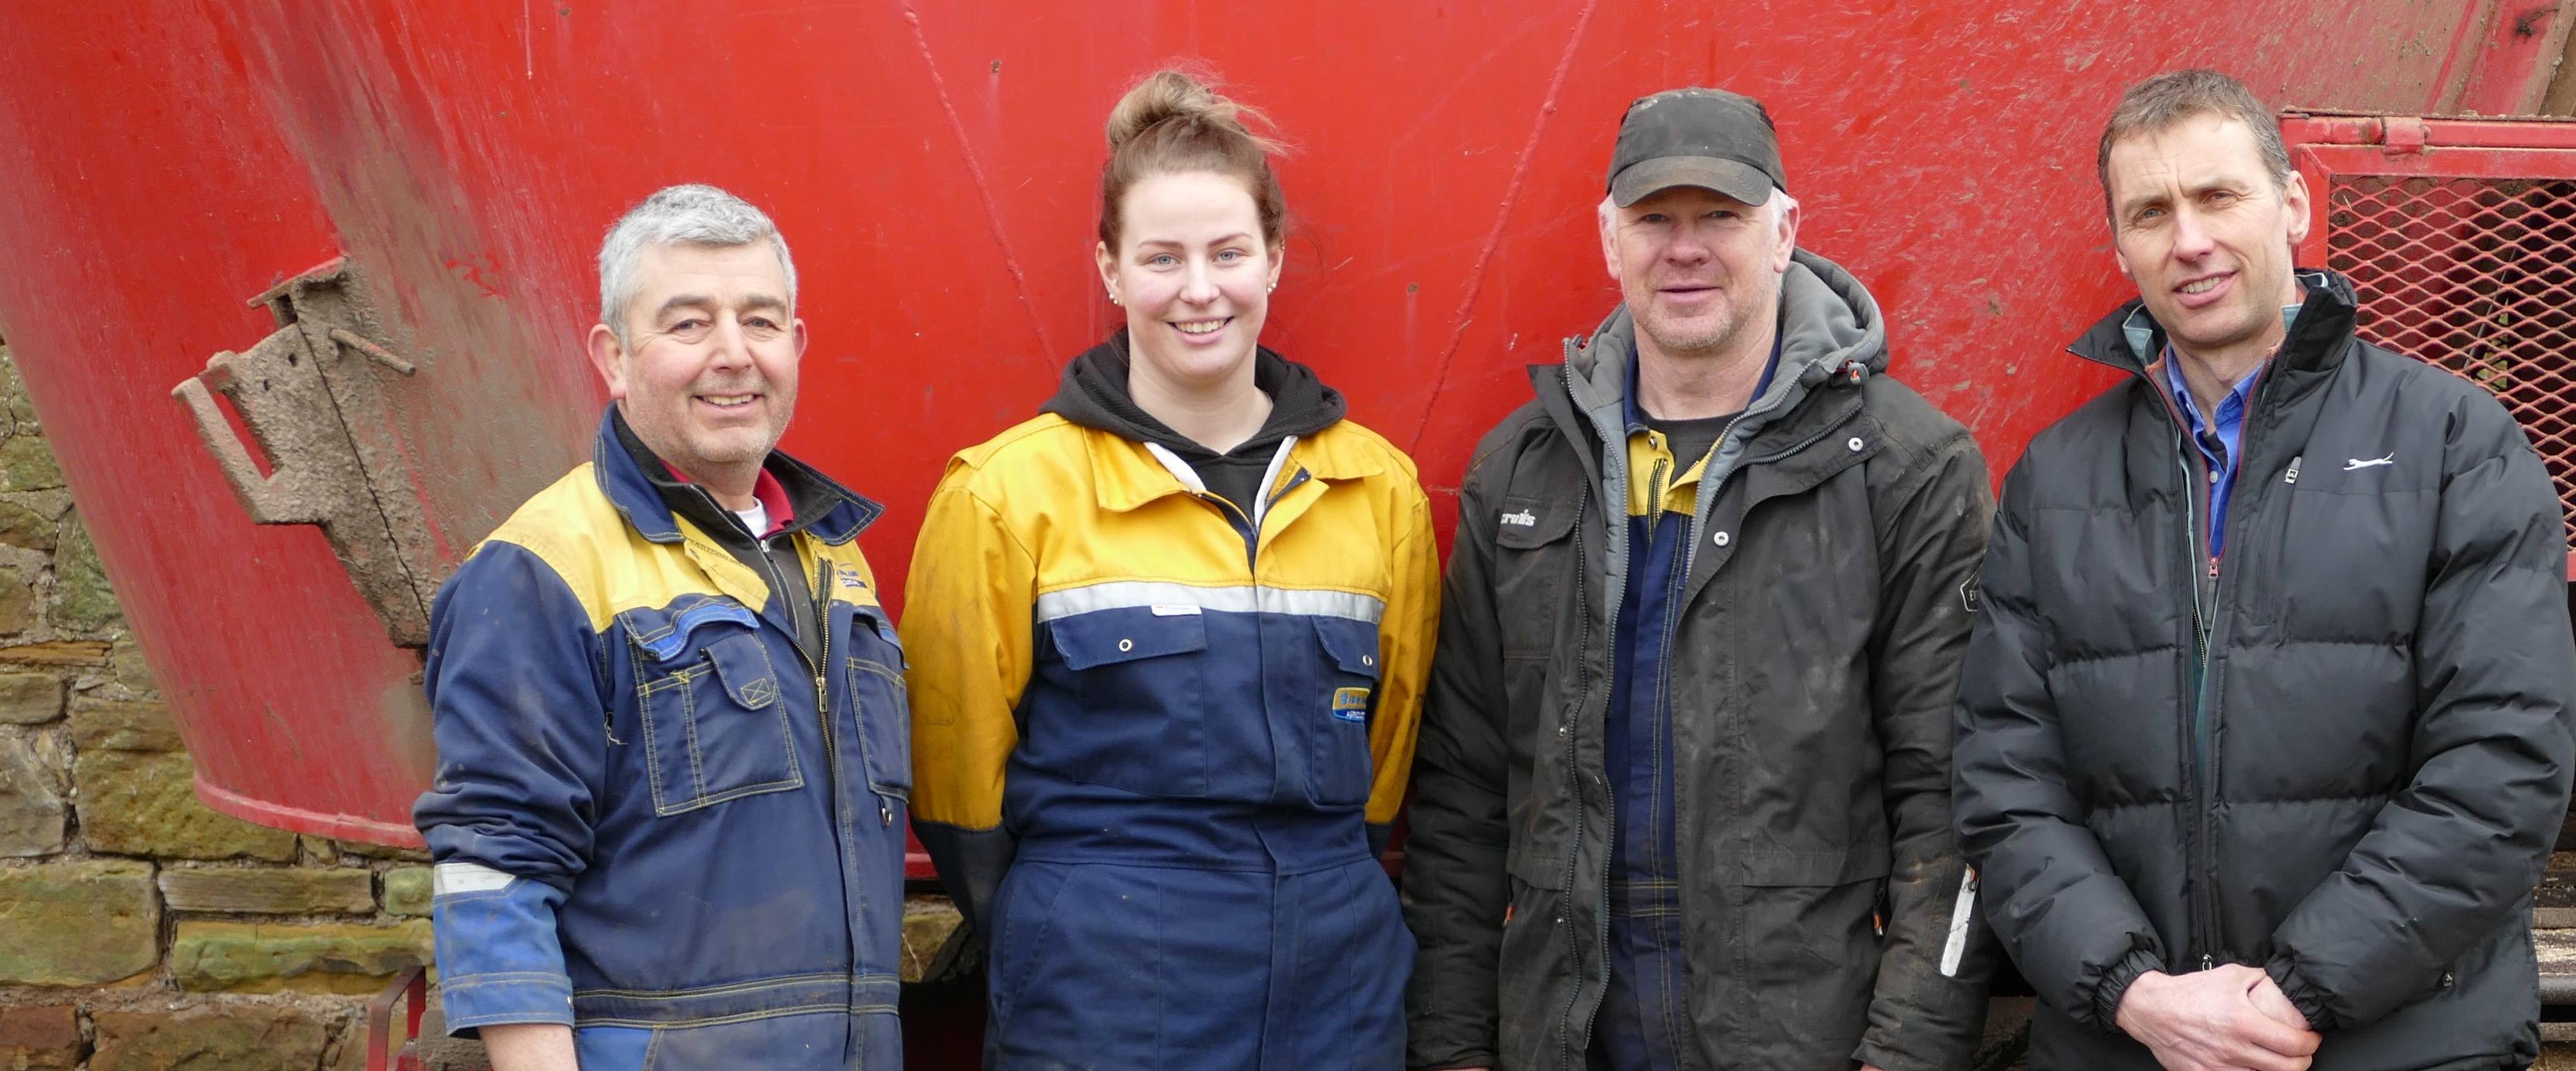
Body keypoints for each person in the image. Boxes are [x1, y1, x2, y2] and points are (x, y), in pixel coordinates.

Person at [1952, 68, 2576, 1071]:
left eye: (2217, 196)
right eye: (2150, 212)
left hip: (2395, 1040)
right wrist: (2137, 995)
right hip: (2133, 1044)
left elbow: (2501, 766)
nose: (2187, 239)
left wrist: (2296, 993)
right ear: (2120, 248)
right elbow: (2004, 781)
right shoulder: (2055, 478)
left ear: (2291, 206)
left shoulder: (2453, 441)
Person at [1401, 87, 1996, 1071]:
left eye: (1720, 216)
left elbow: (1948, 810)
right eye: (1652, 220)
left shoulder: (1905, 468)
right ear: (1608, 238)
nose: (1684, 249)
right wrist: (1456, 1048)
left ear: (1783, 231)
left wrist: (1905, 1057)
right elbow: (1461, 798)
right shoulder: (1521, 472)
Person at [899, 68, 1439, 1070]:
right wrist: (1084, 916)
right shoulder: (1007, 496)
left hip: (1337, 985)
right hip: (1103, 989)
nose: (1200, 288)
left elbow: (1388, 760)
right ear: (1108, 267)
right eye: (1162, 257)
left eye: (1229, 252)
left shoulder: (1379, 491)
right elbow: (958, 785)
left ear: (1273, 259)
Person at [413, 184, 911, 1070]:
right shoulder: (541, 570)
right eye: (688, 325)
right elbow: (495, 866)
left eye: (759, 321)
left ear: (794, 347)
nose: (732, 354)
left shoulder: (834, 566)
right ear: (614, 354)